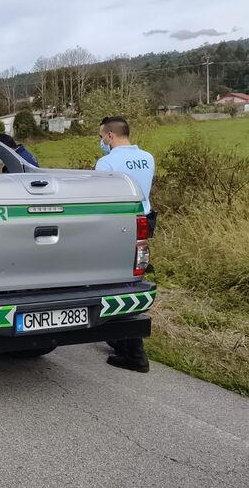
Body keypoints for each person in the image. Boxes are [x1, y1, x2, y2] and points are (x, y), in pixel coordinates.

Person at [95, 116, 156, 373]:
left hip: (118, 224)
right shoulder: (148, 157)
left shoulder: (107, 162)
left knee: (116, 282)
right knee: (131, 276)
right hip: (143, 220)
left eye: (101, 137)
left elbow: (98, 197)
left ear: (110, 135)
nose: (100, 142)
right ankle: (120, 338)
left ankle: (133, 353)